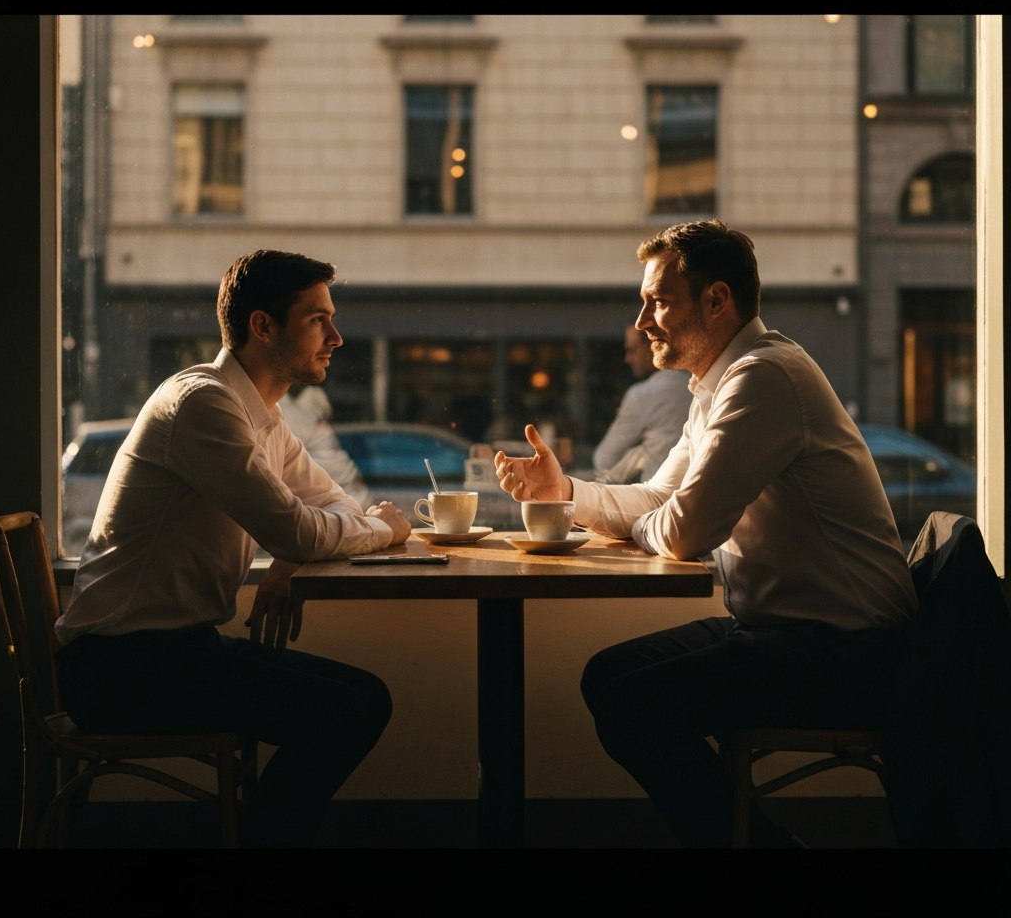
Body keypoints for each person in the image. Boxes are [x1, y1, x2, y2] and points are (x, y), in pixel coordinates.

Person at [494, 219, 917, 848]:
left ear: (716, 300)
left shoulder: (763, 378)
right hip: (784, 631)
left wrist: (644, 526)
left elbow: (686, 530)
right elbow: (663, 500)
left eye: (659, 301)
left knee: (633, 703)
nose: (642, 321)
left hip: (848, 651)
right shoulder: (718, 384)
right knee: (607, 677)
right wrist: (567, 495)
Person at [55, 250, 412, 848]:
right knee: (354, 706)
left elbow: (332, 511)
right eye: (318, 320)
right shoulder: (204, 405)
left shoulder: (261, 416)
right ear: (262, 325)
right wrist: (387, 531)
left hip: (171, 652)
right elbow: (308, 526)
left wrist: (296, 557)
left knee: (359, 701)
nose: (337, 337)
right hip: (121, 669)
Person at [592, 325, 692, 483]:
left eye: (631, 350)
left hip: (654, 499)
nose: (627, 359)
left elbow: (604, 459)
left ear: (653, 346)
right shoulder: (699, 386)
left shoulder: (644, 394)